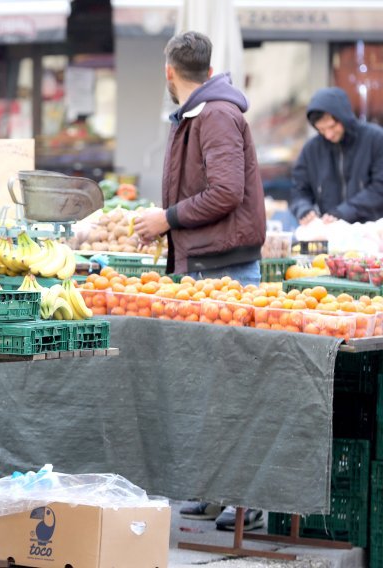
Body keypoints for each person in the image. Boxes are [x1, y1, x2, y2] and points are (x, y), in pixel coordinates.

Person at [133, 31, 266, 531]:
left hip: (225, 269)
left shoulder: (215, 114)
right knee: (209, 392)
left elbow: (227, 191)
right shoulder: (201, 111)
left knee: (233, 389)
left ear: (170, 71)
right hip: (207, 264)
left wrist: (167, 219)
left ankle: (244, 500)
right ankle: (215, 490)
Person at [289, 87, 383, 225]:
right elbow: (299, 190)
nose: (329, 134)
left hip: (373, 233)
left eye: (332, 127)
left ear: (344, 117)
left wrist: (343, 213)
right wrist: (304, 209)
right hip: (330, 232)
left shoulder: (376, 139)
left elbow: (379, 189)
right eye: (321, 130)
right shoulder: (311, 149)